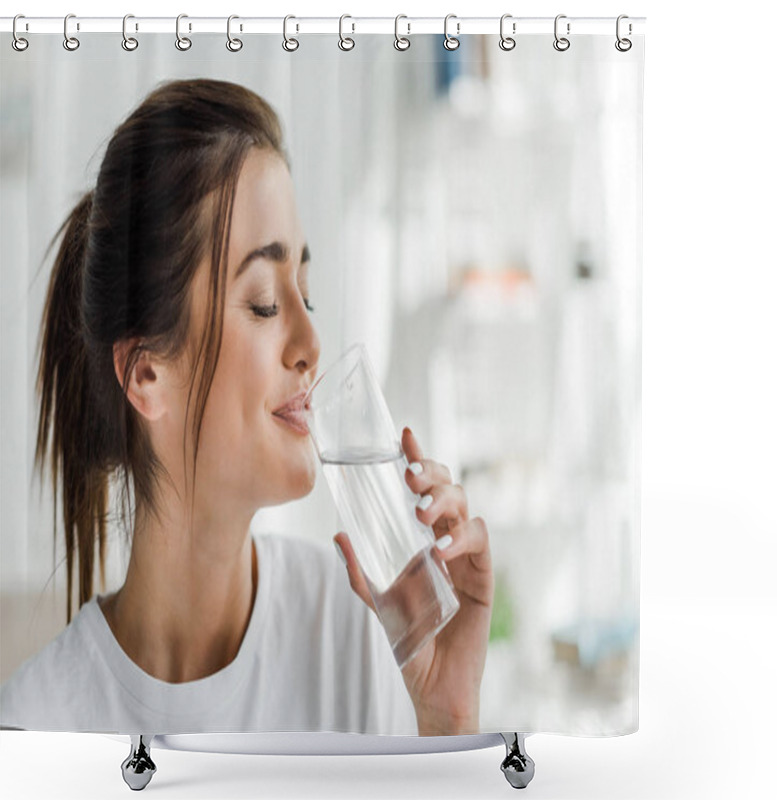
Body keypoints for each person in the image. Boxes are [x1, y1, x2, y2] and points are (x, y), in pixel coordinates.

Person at [0, 78, 493, 736]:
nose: (311, 344)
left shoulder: (356, 631)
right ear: (147, 372)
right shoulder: (40, 731)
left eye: (305, 295)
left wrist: (447, 717)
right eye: (264, 301)